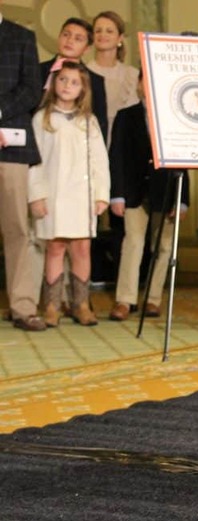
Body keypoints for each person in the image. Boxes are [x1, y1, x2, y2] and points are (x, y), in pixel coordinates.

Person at [28, 61, 110, 327]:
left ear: (82, 89)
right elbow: (34, 161)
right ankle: (51, 305)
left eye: (74, 82)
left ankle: (81, 304)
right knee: (55, 247)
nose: (67, 86)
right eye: (63, 80)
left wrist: (101, 195)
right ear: (54, 83)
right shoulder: (42, 119)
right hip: (52, 194)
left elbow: (99, 160)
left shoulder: (89, 121)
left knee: (82, 248)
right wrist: (36, 195)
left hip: (81, 196)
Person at [107, 74, 189, 321]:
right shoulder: (126, 115)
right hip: (133, 192)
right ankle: (125, 300)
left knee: (163, 246)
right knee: (133, 242)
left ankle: (153, 299)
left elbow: (183, 160)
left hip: (165, 191)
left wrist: (182, 199)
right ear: (139, 84)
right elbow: (116, 157)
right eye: (145, 80)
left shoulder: (176, 116)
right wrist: (116, 195)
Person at [0, 7, 46, 332]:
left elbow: (32, 89)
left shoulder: (21, 36)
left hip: (10, 147)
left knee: (16, 227)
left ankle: (23, 307)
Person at [40, 17, 109, 142]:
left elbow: (100, 127)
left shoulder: (95, 81)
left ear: (87, 48)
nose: (70, 41)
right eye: (66, 35)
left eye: (78, 39)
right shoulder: (36, 70)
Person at [87, 11, 139, 148]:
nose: (102, 35)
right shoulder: (83, 73)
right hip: (91, 144)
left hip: (126, 147)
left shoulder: (132, 75)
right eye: (98, 31)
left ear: (120, 38)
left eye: (109, 31)